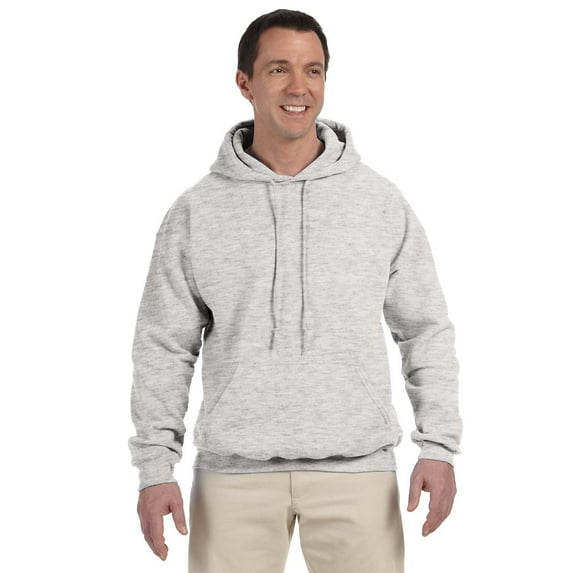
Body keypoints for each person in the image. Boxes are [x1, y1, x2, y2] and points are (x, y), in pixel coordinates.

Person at [128, 8, 462, 573]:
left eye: (313, 70)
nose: (298, 87)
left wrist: (439, 447)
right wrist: (155, 469)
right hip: (232, 477)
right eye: (279, 69)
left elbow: (425, 329)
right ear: (245, 82)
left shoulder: (378, 202)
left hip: (359, 471)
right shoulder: (196, 211)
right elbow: (163, 344)